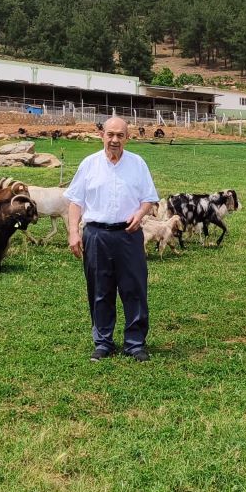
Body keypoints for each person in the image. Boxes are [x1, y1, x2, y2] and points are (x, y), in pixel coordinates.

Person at [64, 116, 160, 362]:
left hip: (128, 235)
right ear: (102, 135)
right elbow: (76, 201)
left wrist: (141, 213)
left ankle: (135, 343)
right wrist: (74, 231)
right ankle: (103, 342)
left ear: (127, 138)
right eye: (110, 134)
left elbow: (149, 197)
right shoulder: (89, 164)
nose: (115, 140)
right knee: (99, 290)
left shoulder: (138, 164)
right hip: (96, 235)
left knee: (134, 289)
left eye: (120, 135)